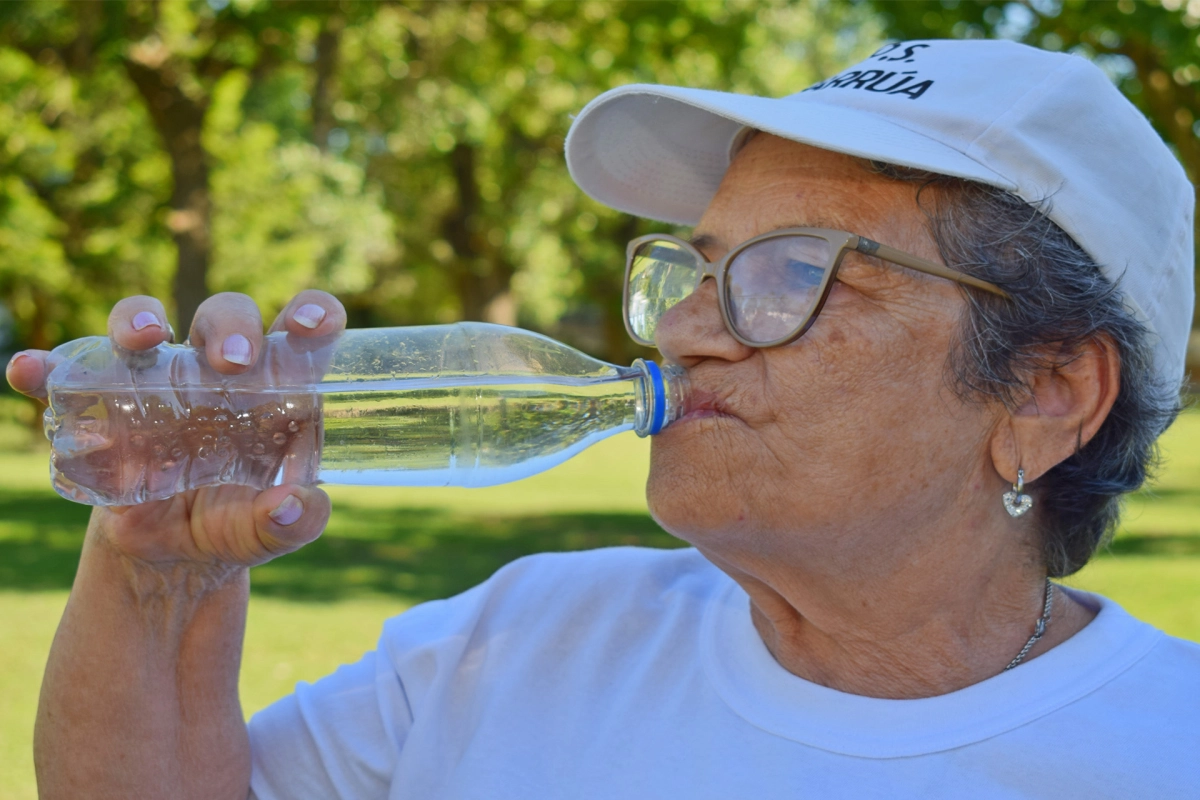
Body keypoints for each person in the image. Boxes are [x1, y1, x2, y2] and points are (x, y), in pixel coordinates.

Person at [9, 39, 1199, 799]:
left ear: (1046, 394)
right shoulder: (520, 638)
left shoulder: (1165, 749)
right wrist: (156, 572)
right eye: (694, 267)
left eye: (794, 272)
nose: (683, 327)